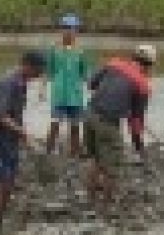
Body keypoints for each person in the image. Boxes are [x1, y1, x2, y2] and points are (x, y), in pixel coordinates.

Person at [83, 44, 155, 210]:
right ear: (149, 66)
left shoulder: (113, 64)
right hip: (108, 123)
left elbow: (91, 84)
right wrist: (139, 148)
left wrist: (122, 104)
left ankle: (90, 200)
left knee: (97, 159)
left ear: (133, 57)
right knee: (112, 167)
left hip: (89, 114)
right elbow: (136, 123)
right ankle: (108, 206)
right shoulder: (143, 86)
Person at [0, 51, 47, 230]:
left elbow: (15, 114)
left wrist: (20, 134)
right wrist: (24, 133)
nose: (39, 75)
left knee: (9, 181)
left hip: (10, 139)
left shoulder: (21, 82)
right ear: (28, 65)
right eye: (38, 71)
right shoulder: (9, 83)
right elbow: (0, 116)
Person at [43, 14, 91, 157]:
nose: (69, 31)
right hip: (59, 93)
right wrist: (42, 88)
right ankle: (48, 151)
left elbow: (85, 73)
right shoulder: (54, 49)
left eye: (72, 28)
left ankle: (74, 152)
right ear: (61, 30)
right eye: (66, 28)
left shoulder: (81, 51)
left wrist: (92, 88)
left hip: (75, 95)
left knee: (75, 125)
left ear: (76, 30)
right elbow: (48, 71)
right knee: (55, 123)